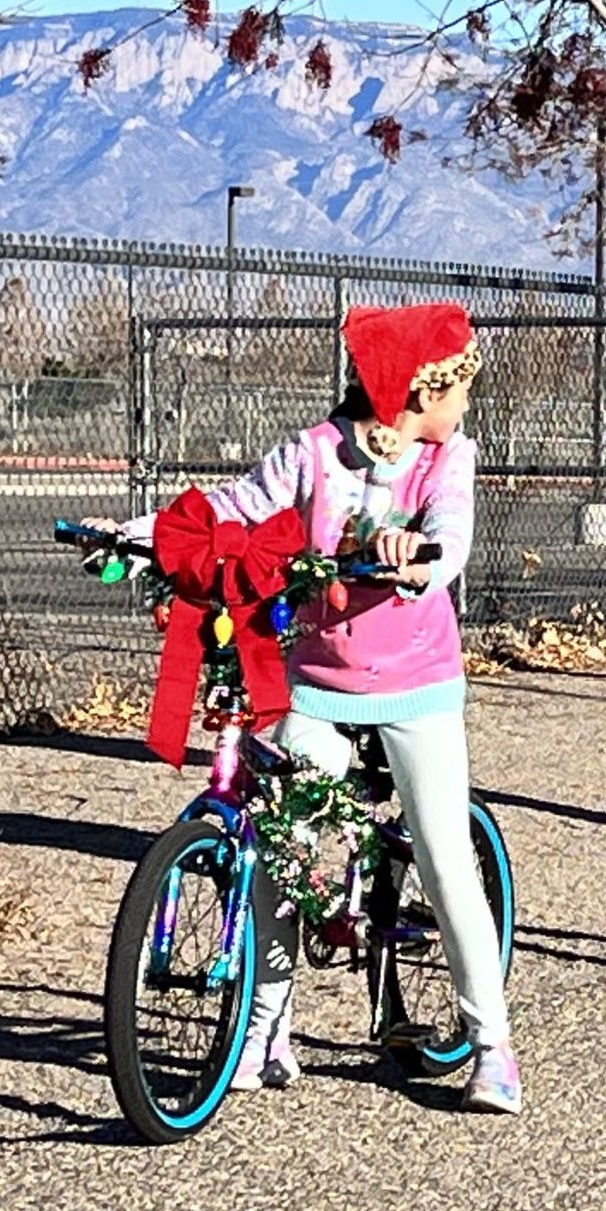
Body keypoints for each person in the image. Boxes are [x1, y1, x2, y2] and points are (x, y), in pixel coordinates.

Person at [94, 301, 521, 1113]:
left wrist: (418, 556)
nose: (465, 404)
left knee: (441, 852)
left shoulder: (447, 459)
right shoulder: (314, 455)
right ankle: (262, 1029)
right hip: (319, 687)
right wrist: (138, 531)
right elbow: (232, 507)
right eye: (458, 388)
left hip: (419, 686)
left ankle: (493, 1045)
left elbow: (451, 533)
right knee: (283, 846)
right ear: (418, 389)